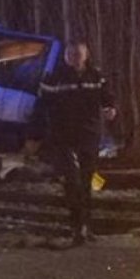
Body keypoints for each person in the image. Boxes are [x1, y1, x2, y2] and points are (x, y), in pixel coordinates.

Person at [35, 41, 117, 245]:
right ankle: (76, 227)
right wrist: (35, 136)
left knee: (88, 181)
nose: (75, 58)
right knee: (72, 181)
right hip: (63, 137)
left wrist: (110, 109)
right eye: (71, 55)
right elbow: (41, 106)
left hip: (89, 135)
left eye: (78, 54)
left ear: (86, 55)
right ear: (65, 57)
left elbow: (107, 98)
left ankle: (86, 227)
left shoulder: (96, 76)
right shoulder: (54, 78)